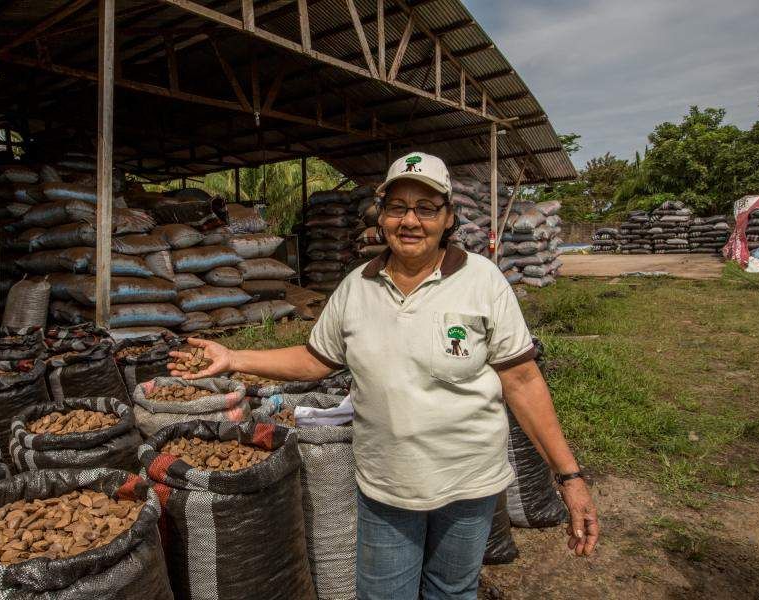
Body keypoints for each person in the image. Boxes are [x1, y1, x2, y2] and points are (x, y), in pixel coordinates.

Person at [168, 152, 599, 600]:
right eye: (397, 207)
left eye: (426, 208)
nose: (410, 220)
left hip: (469, 484)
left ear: (448, 217)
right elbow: (316, 359)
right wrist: (234, 358)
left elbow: (523, 381)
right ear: (382, 216)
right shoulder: (358, 286)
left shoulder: (482, 281)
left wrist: (570, 478)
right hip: (387, 488)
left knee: (451, 591)